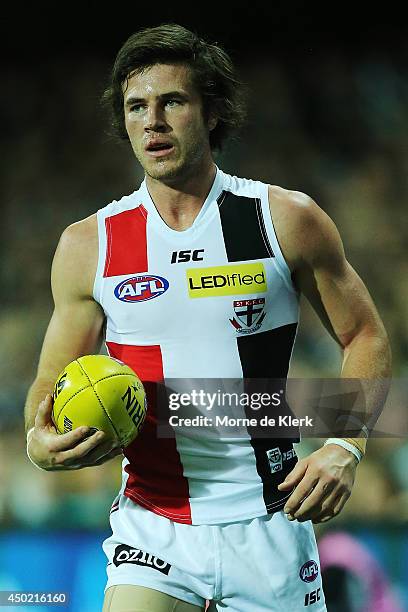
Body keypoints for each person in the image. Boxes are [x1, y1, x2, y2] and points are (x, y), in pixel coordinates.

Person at [24, 24, 391, 612]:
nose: (153, 121)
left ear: (212, 111)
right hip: (154, 524)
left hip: (271, 518)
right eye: (136, 106)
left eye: (172, 101)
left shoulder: (285, 219)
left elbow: (365, 335)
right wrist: (39, 440)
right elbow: (49, 381)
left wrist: (346, 444)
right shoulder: (88, 245)